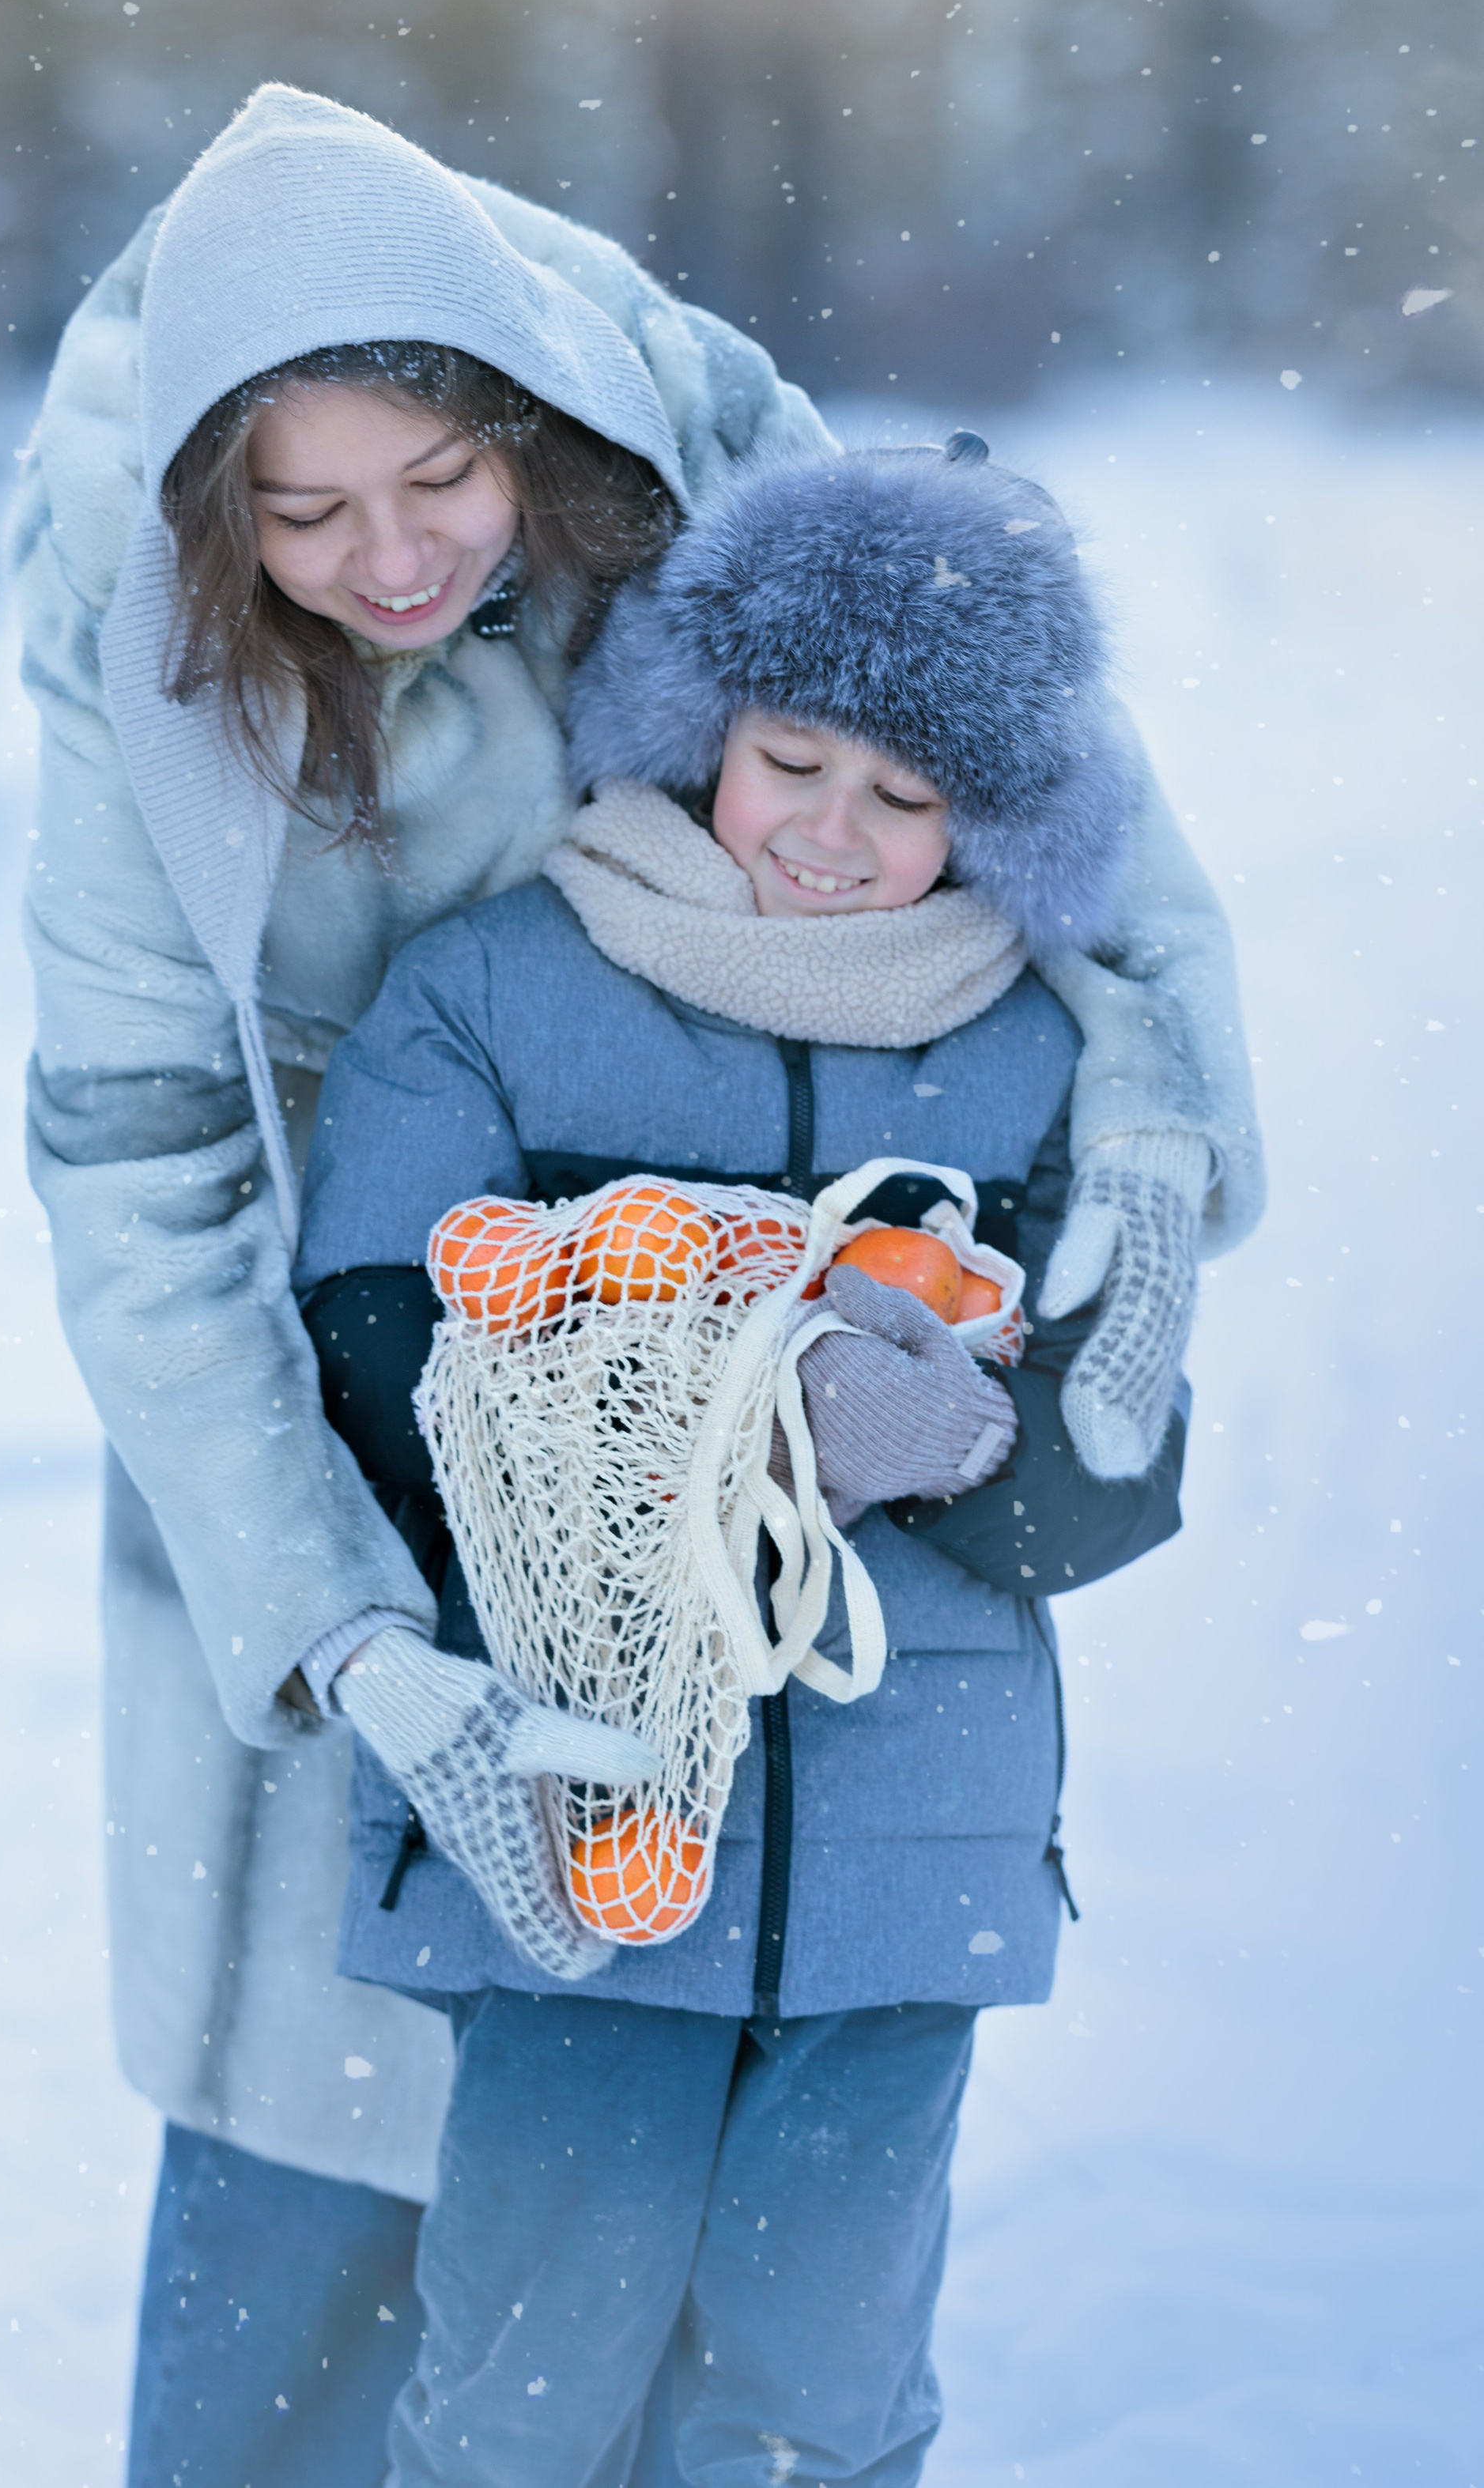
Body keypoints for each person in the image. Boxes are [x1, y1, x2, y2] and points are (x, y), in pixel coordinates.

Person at [9, 84, 1263, 2485]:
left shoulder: (711, 471)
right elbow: (145, 1187)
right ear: (210, 518)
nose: (387, 559)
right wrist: (356, 1638)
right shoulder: (136, 667)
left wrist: (1158, 1156)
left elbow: (1071, 848)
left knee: (761, 2283)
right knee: (353, 2167)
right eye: (304, 512)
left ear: (530, 427)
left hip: (796, 1464)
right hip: (347, 1409)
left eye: (439, 486)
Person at [296, 435, 1210, 2483]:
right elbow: (376, 1358)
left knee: (815, 2410)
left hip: (910, 1861)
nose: (835, 833)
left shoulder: (1047, 1052)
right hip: (582, 1820)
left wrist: (967, 1443)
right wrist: (714, 1417)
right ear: (701, 720)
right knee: (524, 2404)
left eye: (911, 799)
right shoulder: (497, 992)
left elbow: (1119, 1477)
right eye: (796, 757)